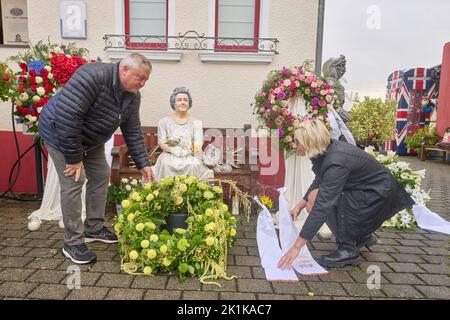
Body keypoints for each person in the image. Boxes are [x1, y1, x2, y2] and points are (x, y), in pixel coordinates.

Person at [39, 53, 155, 264]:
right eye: (140, 78)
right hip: (60, 133)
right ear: (124, 69)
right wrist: (74, 158)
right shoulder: (92, 76)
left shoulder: (132, 95)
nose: (143, 83)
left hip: (90, 139)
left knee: (101, 175)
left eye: (146, 80)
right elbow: (68, 117)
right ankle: (73, 242)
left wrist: (143, 163)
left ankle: (93, 228)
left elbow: (132, 130)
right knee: (74, 181)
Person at [278, 119, 414, 268]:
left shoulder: (336, 161)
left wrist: (297, 246)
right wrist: (299, 205)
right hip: (370, 192)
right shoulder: (327, 151)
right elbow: (321, 179)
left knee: (319, 201)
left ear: (310, 141)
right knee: (312, 199)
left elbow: (323, 205)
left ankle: (348, 250)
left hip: (378, 197)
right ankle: (361, 237)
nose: (293, 145)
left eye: (297, 142)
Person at [151, 87, 213, 180]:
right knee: (166, 164)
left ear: (189, 103)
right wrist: (173, 150)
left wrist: (188, 151)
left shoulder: (197, 122)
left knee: (193, 164)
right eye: (179, 100)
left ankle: (192, 192)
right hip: (170, 154)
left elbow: (198, 142)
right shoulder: (163, 122)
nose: (182, 102)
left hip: (190, 153)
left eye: (185, 100)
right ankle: (166, 191)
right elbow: (162, 142)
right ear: (173, 103)